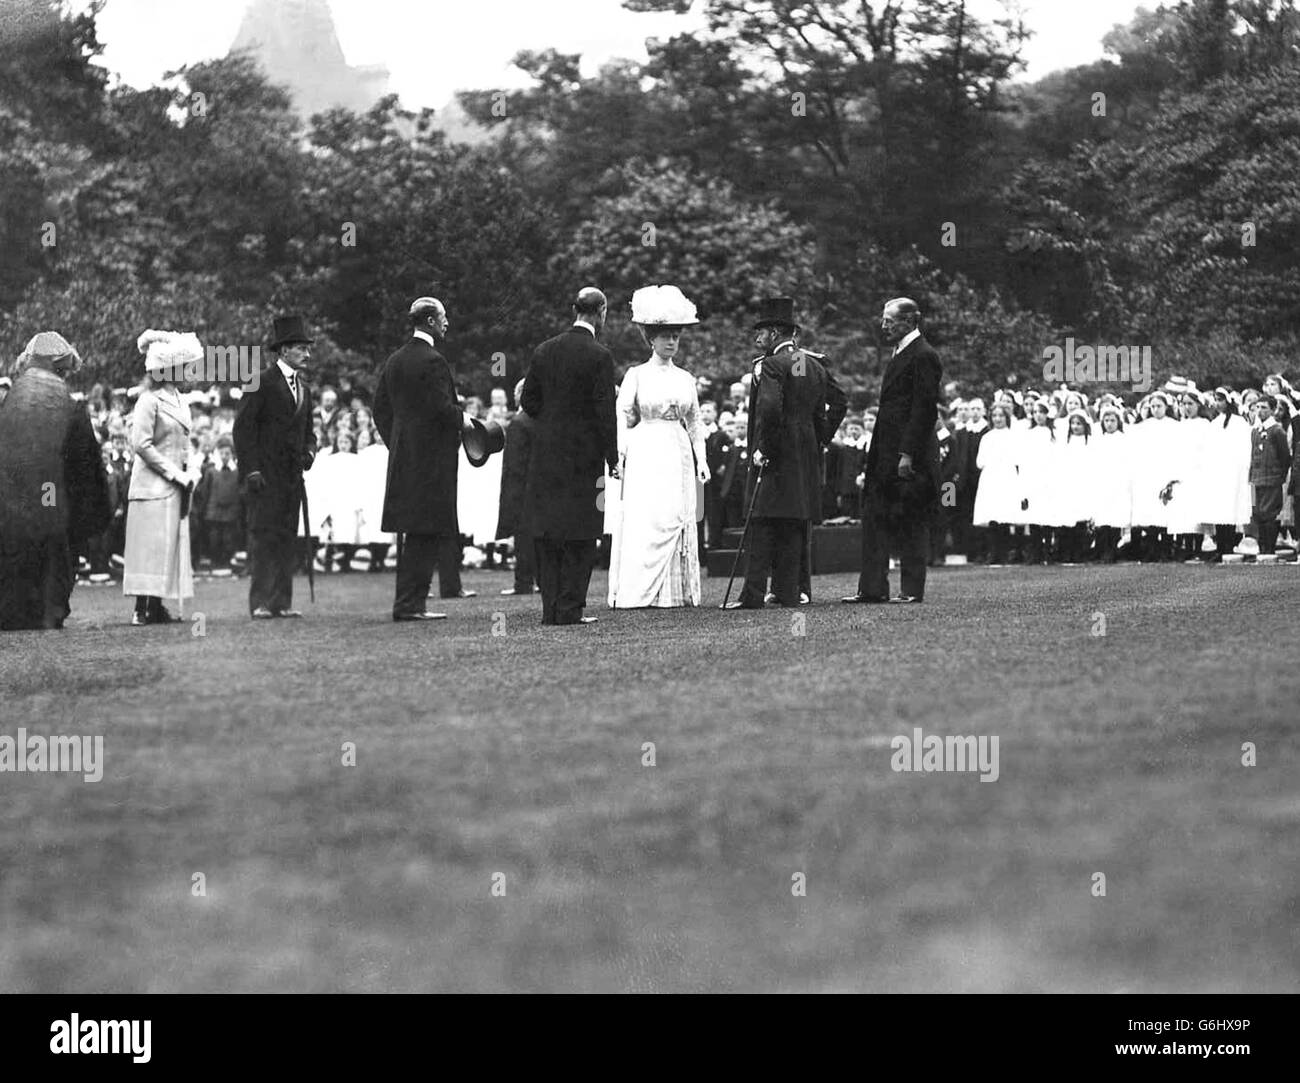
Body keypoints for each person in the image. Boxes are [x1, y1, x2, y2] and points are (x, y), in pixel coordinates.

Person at [728, 296, 847, 608]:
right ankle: (788, 592)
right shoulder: (815, 365)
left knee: (762, 521)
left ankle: (753, 595)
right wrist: (819, 436)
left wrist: (763, 448)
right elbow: (841, 402)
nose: (757, 338)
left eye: (762, 332)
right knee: (794, 522)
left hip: (776, 451)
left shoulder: (771, 365)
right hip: (805, 454)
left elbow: (768, 408)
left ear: (776, 333)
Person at [520, 286, 619, 625]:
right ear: (601, 311)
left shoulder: (544, 350)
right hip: (584, 458)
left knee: (547, 533)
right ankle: (570, 608)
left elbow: (528, 401)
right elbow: (606, 413)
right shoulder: (599, 356)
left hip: (546, 455)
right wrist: (612, 457)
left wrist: (552, 423)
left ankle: (550, 610)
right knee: (581, 531)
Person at [0, 332, 111, 630]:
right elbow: (85, 463)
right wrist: (92, 512)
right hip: (52, 497)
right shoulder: (68, 404)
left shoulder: (9, 402)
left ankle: (12, 612)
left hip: (12, 500)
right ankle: (48, 611)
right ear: (60, 367)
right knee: (53, 550)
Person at [374, 297, 475, 621]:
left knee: (413, 533)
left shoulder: (395, 360)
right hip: (432, 462)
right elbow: (441, 409)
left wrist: (399, 443)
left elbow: (380, 410)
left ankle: (409, 603)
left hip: (406, 459)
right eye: (444, 317)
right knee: (426, 533)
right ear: (430, 321)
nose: (448, 323)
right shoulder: (433, 360)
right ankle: (410, 605)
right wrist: (464, 419)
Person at [608, 285, 710, 608]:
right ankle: (640, 590)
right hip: (646, 450)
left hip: (677, 451)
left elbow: (695, 421)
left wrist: (701, 458)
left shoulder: (686, 378)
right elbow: (622, 415)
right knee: (648, 515)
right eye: (665, 336)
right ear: (651, 338)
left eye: (676, 336)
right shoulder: (636, 375)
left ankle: (676, 592)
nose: (671, 342)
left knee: (676, 513)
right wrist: (621, 453)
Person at [843, 297, 941, 604]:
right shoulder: (900, 352)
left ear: (910, 321)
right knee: (875, 516)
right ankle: (872, 587)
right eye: (884, 319)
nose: (884, 326)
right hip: (885, 450)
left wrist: (908, 453)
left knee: (911, 518)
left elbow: (924, 410)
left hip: (906, 453)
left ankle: (911, 589)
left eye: (890, 320)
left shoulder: (923, 355)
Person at [233, 315, 317, 618]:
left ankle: (281, 602)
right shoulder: (260, 381)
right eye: (301, 349)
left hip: (292, 477)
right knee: (264, 537)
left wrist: (310, 451)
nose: (307, 355)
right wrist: (251, 470)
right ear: (283, 351)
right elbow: (243, 430)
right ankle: (261, 602)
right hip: (265, 477)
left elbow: (309, 430)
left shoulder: (304, 388)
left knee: (286, 537)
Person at [123, 329, 203, 625]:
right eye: (185, 366)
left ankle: (155, 605)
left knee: (166, 547)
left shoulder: (181, 400)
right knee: (149, 547)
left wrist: (192, 470)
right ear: (169, 369)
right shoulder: (148, 400)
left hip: (175, 485)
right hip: (152, 485)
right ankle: (141, 607)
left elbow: (185, 442)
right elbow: (140, 444)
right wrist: (174, 474)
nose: (189, 372)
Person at [496, 378, 537, 595]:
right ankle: (536, 580)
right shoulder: (539, 420)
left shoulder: (519, 423)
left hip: (521, 488)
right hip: (538, 488)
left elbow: (513, 464)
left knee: (523, 537)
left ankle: (523, 582)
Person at [972, 402, 1020, 565]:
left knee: (1004, 515)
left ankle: (1005, 553)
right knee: (992, 515)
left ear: (1006, 417)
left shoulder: (1013, 436)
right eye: (995, 416)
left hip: (1006, 476)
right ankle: (993, 553)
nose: (998, 419)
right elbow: (980, 461)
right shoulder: (987, 437)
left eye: (1001, 416)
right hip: (991, 477)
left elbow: (1017, 458)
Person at [195, 435, 242, 575]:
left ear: (232, 454)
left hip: (231, 512)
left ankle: (226, 562)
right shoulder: (211, 471)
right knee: (214, 539)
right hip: (213, 512)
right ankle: (215, 563)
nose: (224, 456)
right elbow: (205, 492)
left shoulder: (237, 472)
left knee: (229, 539)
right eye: (221, 453)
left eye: (227, 453)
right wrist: (204, 510)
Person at [1250, 396, 1290, 555]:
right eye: (1258, 407)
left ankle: (1269, 548)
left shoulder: (1277, 430)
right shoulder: (1255, 430)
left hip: (1272, 479)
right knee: (1259, 514)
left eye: (1264, 407)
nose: (1260, 411)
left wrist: (1278, 475)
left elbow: (1285, 457)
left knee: (1269, 514)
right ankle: (1262, 547)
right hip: (1258, 478)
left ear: (1273, 410)